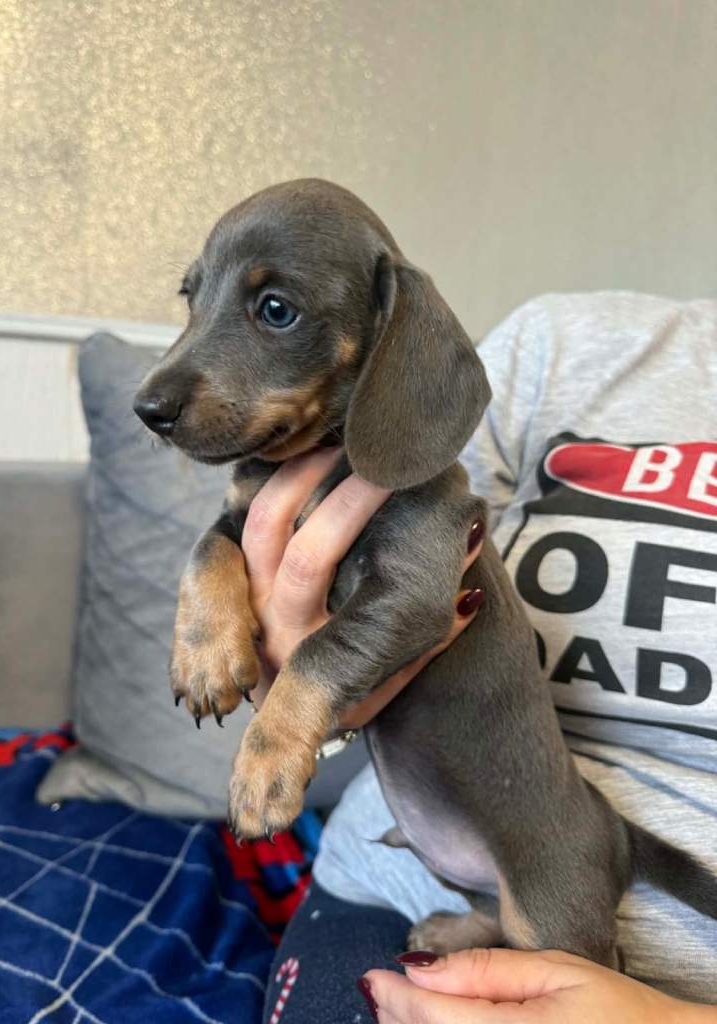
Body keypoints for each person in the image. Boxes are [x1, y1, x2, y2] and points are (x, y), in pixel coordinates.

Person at [245, 291, 717, 1023]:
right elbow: (380, 555)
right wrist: (312, 692)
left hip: (641, 954)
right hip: (393, 878)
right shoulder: (562, 342)